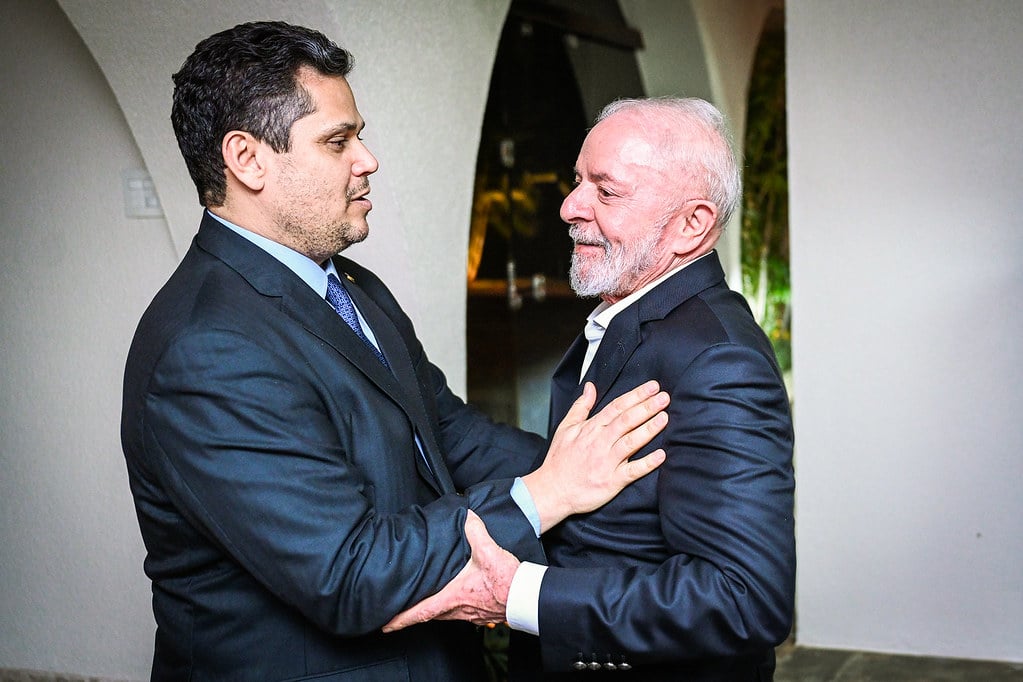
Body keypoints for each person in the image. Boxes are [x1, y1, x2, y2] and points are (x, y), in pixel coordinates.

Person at [120, 21, 670, 681]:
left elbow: (449, 434)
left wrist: (626, 479)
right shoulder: (206, 348)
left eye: (359, 135)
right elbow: (349, 572)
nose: (367, 159)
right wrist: (546, 492)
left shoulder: (353, 287)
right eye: (337, 141)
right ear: (247, 159)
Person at [389, 98, 795, 680]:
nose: (569, 207)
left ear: (692, 224)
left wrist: (520, 593)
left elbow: (744, 599)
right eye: (578, 181)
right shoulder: (638, 313)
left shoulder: (718, 358)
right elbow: (593, 478)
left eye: (606, 191)